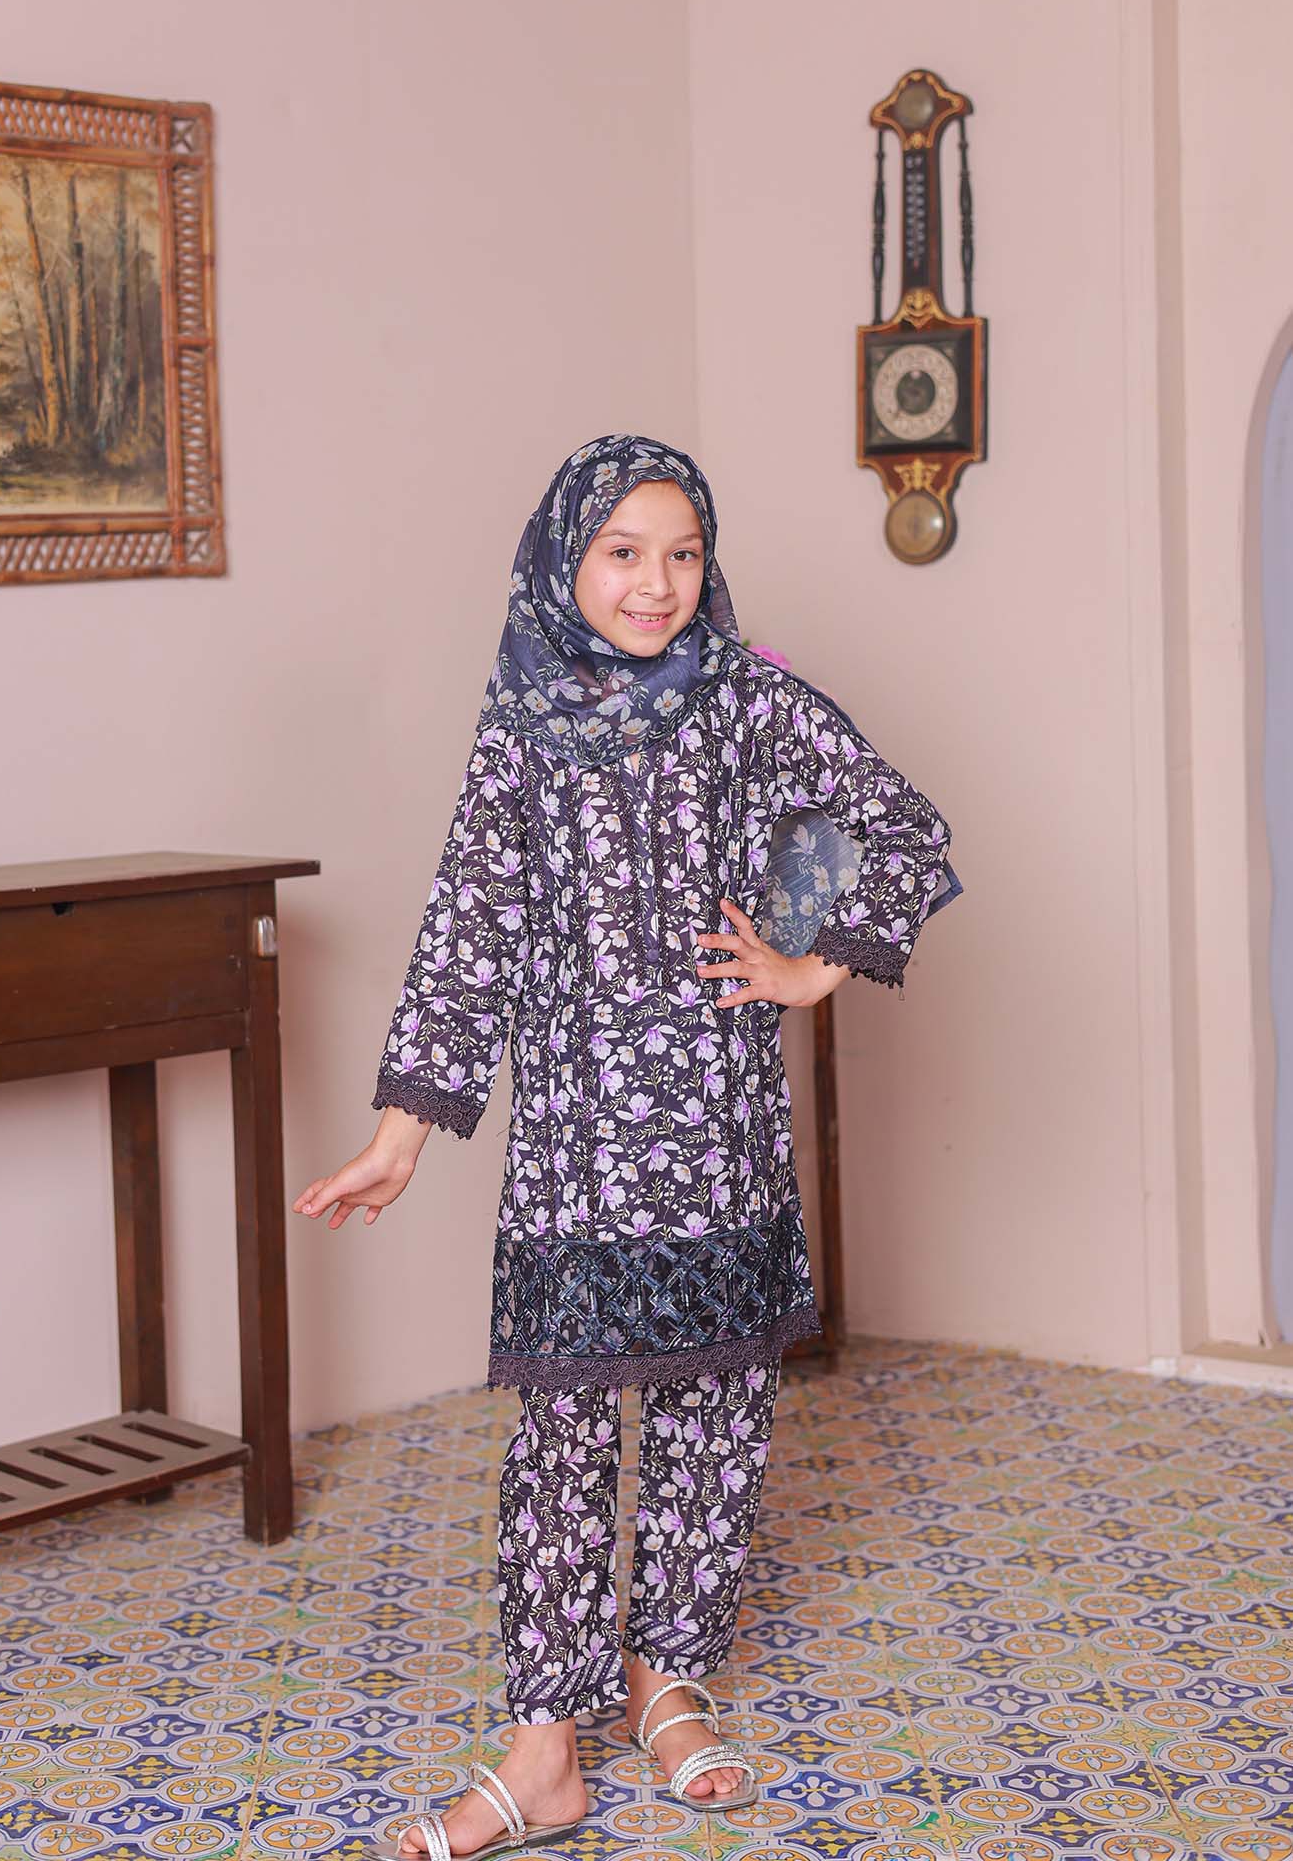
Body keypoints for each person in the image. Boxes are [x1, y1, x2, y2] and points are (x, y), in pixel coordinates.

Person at [295, 434, 960, 1859]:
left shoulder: (748, 698)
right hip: (579, 1146)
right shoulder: (525, 722)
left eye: (683, 553)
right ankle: (545, 1750)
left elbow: (899, 828)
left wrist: (811, 967)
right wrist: (403, 1133)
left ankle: (669, 1680)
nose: (656, 583)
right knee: (564, 1434)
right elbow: (471, 925)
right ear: (566, 560)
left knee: (717, 1415)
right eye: (623, 552)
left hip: (719, 1128)